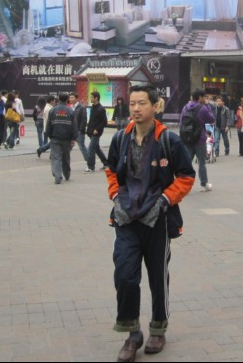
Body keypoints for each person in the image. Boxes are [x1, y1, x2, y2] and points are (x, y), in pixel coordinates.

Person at [105, 84, 195, 363]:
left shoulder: (169, 140)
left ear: (155, 106)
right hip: (126, 219)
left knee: (157, 277)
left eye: (142, 103)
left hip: (157, 220)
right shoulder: (121, 138)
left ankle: (158, 328)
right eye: (132, 103)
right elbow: (110, 171)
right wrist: (114, 195)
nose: (135, 108)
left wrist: (165, 200)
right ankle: (132, 333)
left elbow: (186, 176)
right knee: (125, 275)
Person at [179, 90, 215, 190]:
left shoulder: (185, 107)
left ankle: (182, 184)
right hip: (200, 138)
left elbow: (181, 122)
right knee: (201, 162)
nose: (205, 99)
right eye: (204, 97)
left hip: (187, 138)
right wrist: (208, 106)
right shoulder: (203, 108)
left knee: (187, 162)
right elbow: (211, 119)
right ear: (200, 97)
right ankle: (204, 184)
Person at [46, 93, 76, 184]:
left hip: (55, 138)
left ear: (58, 99)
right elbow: (74, 126)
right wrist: (73, 138)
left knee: (56, 158)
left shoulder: (53, 110)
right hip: (67, 139)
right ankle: (66, 174)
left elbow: (48, 125)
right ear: (67, 99)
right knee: (66, 157)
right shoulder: (70, 111)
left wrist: (50, 135)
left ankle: (58, 177)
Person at [85, 91, 108, 172]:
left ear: (96, 98)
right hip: (91, 131)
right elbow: (91, 120)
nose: (90, 98)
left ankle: (91, 167)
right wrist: (88, 130)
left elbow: (104, 122)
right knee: (96, 148)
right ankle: (106, 163)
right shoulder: (93, 107)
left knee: (91, 148)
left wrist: (97, 129)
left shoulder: (101, 109)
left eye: (91, 97)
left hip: (97, 132)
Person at [70, 93, 90, 165]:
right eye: (70, 98)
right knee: (69, 147)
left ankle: (89, 162)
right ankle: (64, 162)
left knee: (82, 146)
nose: (71, 99)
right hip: (71, 131)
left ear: (76, 98)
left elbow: (84, 120)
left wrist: (80, 130)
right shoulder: (70, 107)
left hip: (79, 131)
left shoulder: (81, 107)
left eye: (72, 98)